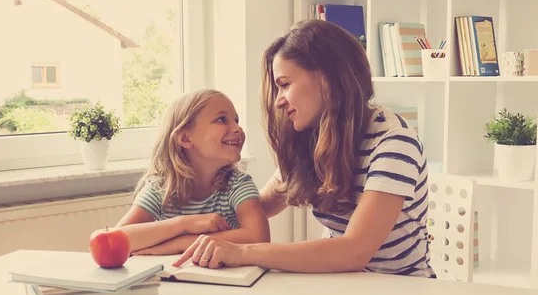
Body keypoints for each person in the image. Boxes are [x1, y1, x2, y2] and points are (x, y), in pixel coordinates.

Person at [174, 20, 435, 278]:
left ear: (328, 80)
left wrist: (242, 251)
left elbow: (354, 251)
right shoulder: (314, 138)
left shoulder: (394, 143)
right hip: (343, 286)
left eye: (285, 84)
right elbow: (258, 208)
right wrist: (178, 227)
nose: (278, 101)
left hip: (400, 292)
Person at [114, 89, 271, 255]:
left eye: (236, 120)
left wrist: (180, 243)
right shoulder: (160, 189)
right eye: (221, 119)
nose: (238, 128)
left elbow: (258, 237)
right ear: (185, 139)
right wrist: (184, 223)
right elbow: (116, 240)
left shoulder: (238, 184)